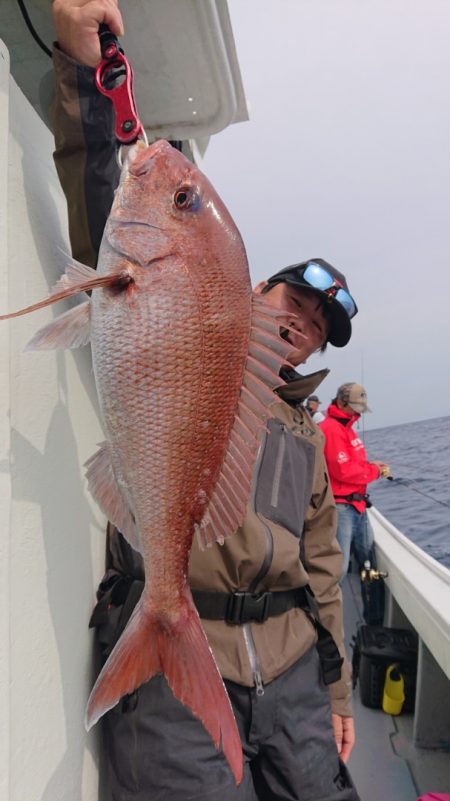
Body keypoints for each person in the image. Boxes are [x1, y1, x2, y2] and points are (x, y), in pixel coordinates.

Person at [51, 3, 361, 798]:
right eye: (294, 298)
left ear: (319, 349)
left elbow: (324, 573)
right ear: (253, 291)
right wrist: (87, 72)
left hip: (292, 669)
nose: (301, 319)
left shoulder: (308, 432)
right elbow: (108, 206)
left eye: (319, 325)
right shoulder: (182, 316)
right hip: (183, 656)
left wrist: (334, 692)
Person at [320, 383, 390, 625]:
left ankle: (373, 615)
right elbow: (343, 470)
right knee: (338, 569)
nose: (358, 414)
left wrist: (372, 465)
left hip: (359, 507)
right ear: (341, 403)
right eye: (354, 408)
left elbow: (353, 463)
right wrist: (375, 471)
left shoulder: (348, 429)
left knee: (367, 555)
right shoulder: (330, 429)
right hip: (343, 509)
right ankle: (327, 619)